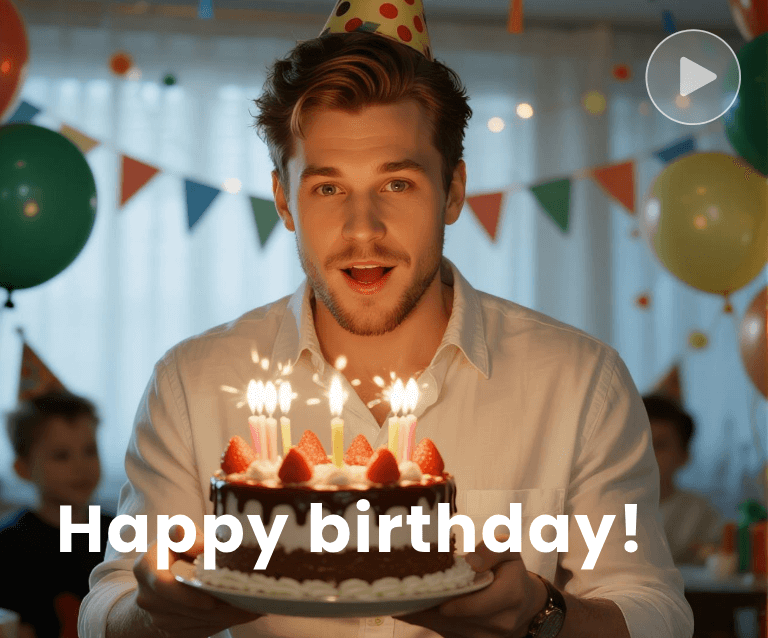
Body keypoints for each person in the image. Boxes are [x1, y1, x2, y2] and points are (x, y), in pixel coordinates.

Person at [79, 3, 693, 636]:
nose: (362, 230)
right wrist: (157, 615)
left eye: (397, 184)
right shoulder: (191, 382)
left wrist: (540, 613)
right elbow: (107, 607)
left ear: (453, 191)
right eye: (328, 188)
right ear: (284, 201)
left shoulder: (580, 381)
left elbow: (657, 614)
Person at [0, 391, 114, 638]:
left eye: (90, 451)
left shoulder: (117, 531)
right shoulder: (10, 544)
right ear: (23, 469)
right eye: (61, 455)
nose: (81, 466)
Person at [643, 393, 726, 564]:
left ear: (684, 456)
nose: (646, 454)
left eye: (659, 445)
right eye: (638, 444)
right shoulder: (605, 508)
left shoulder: (701, 514)